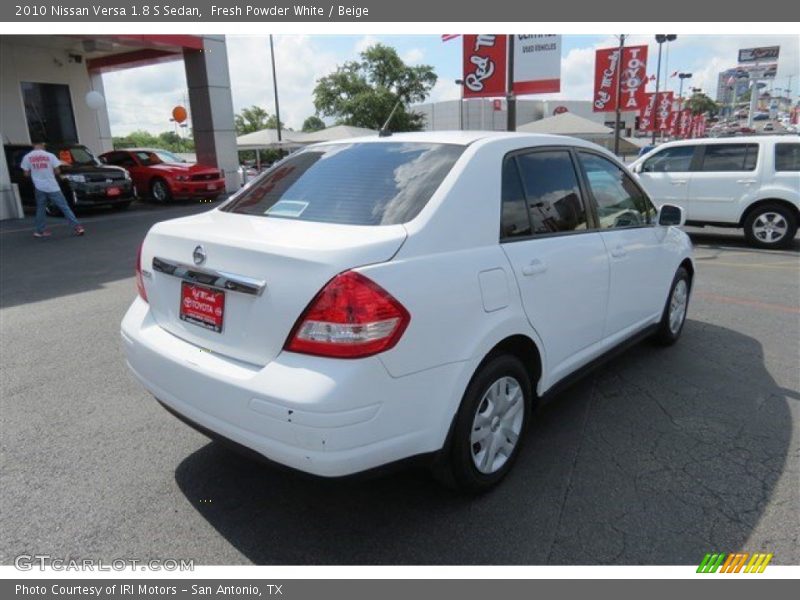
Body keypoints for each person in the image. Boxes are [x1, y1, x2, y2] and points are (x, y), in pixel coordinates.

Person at [21, 143, 85, 238]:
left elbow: (26, 174)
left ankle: (39, 231)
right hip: (52, 186)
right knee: (64, 207)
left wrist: (36, 175)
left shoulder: (27, 157)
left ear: (33, 145)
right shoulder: (50, 156)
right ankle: (77, 227)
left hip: (39, 186)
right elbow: (57, 171)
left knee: (41, 208)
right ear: (42, 145)